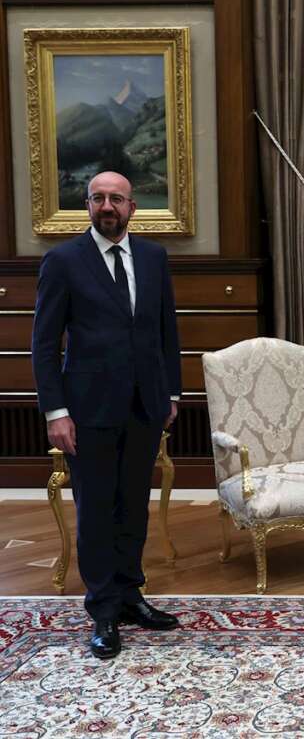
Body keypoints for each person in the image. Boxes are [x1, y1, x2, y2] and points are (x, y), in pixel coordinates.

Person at [32, 171, 183, 660]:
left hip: (145, 406)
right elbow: (43, 345)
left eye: (116, 198)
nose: (107, 206)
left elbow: (166, 332)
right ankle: (101, 608)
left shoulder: (154, 258)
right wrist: (56, 411)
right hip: (87, 410)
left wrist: (172, 395)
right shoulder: (63, 261)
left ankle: (129, 594)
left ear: (132, 207)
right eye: (98, 198)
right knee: (96, 510)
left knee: (132, 506)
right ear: (87, 205)